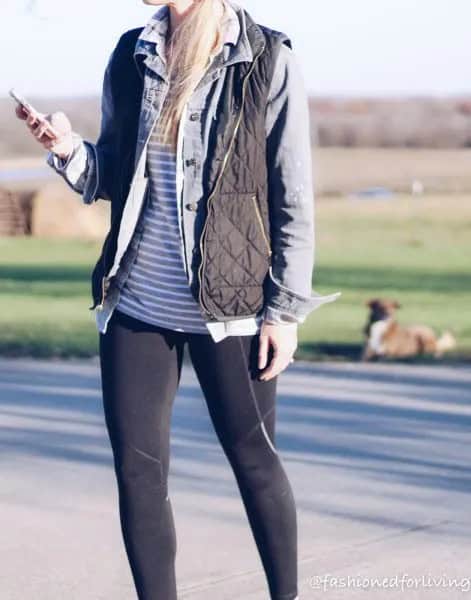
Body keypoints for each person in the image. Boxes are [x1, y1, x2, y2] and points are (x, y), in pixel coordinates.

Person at [15, 1, 340, 598]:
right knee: (138, 474)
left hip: (233, 308)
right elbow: (113, 176)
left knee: (255, 464)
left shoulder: (264, 58)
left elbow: (291, 194)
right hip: (137, 303)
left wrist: (286, 310)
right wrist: (66, 149)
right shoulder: (131, 54)